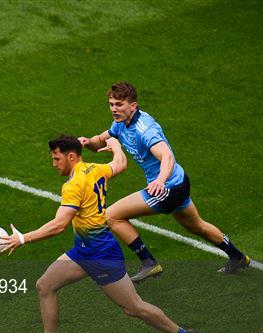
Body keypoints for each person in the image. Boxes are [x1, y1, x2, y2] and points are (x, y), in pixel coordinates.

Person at [0, 135, 199, 333]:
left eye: (56, 158)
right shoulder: (94, 169)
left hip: (101, 256)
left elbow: (59, 225)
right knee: (45, 285)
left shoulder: (73, 185)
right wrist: (115, 147)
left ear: (71, 156)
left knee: (133, 307)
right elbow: (120, 164)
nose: (54, 164)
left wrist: (24, 238)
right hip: (83, 251)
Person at [78, 82, 250, 283]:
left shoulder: (144, 130)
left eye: (119, 105)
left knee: (111, 216)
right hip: (178, 182)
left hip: (167, 187)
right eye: (111, 104)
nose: (114, 109)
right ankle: (238, 257)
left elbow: (167, 157)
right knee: (197, 227)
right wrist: (87, 142)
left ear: (133, 106)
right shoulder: (120, 123)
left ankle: (149, 263)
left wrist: (159, 181)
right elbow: (101, 140)